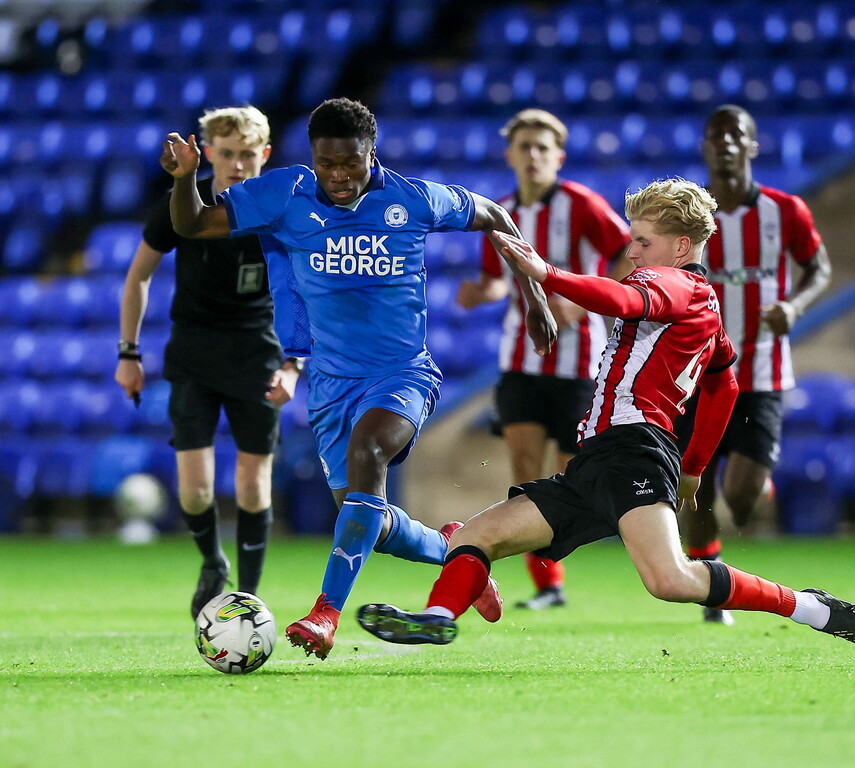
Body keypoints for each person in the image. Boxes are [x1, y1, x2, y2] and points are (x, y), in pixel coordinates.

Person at [355, 178, 855, 655]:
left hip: (632, 450)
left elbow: (625, 303)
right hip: (597, 460)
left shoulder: (679, 284)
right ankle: (437, 618)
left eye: (642, 241)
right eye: (633, 240)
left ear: (682, 247)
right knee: (476, 535)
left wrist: (547, 273)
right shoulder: (704, 305)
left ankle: (806, 606)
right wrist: (696, 464)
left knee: (671, 580)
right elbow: (725, 381)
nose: (631, 252)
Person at [160, 97, 558, 660]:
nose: (340, 176)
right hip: (329, 384)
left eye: (353, 163)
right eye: (328, 164)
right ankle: (453, 547)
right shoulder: (284, 195)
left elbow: (494, 213)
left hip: (402, 375)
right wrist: (184, 179)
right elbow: (193, 223)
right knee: (367, 517)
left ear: (373, 154)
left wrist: (535, 294)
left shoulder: (411, 198)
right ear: (313, 159)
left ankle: (326, 612)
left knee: (369, 453)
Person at [115, 106, 302, 620]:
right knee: (195, 489)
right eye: (227, 154)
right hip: (193, 353)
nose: (237, 164)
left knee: (251, 482)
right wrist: (128, 353)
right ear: (208, 153)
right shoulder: (182, 205)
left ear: (264, 156)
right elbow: (138, 277)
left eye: (247, 154)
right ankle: (212, 561)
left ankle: (250, 597)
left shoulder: (283, 212)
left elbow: (305, 295)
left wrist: (293, 366)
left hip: (258, 352)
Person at [457, 109, 632, 610]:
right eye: (524, 147)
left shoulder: (580, 204)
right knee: (525, 470)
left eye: (542, 148)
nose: (533, 156)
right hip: (520, 359)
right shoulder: (502, 211)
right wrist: (481, 292)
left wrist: (579, 302)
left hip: (580, 362)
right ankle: (548, 586)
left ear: (559, 156)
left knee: (570, 474)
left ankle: (570, 563)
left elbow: (625, 254)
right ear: (510, 155)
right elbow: (495, 277)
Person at [674, 104, 833, 625]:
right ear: (704, 148)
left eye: (735, 135)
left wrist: (793, 307)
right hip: (696, 372)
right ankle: (710, 581)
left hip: (761, 370)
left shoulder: (785, 211)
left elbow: (818, 267)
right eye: (714, 136)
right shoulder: (689, 217)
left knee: (741, 499)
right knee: (695, 480)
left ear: (752, 146)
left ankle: (754, 491)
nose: (724, 143)